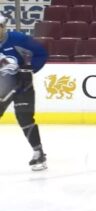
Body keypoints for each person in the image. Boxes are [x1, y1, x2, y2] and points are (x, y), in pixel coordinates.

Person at [0, 14, 48, 171]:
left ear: (3, 27)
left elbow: (41, 53)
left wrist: (30, 68)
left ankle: (38, 152)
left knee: (25, 117)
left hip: (22, 86)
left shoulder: (19, 39)